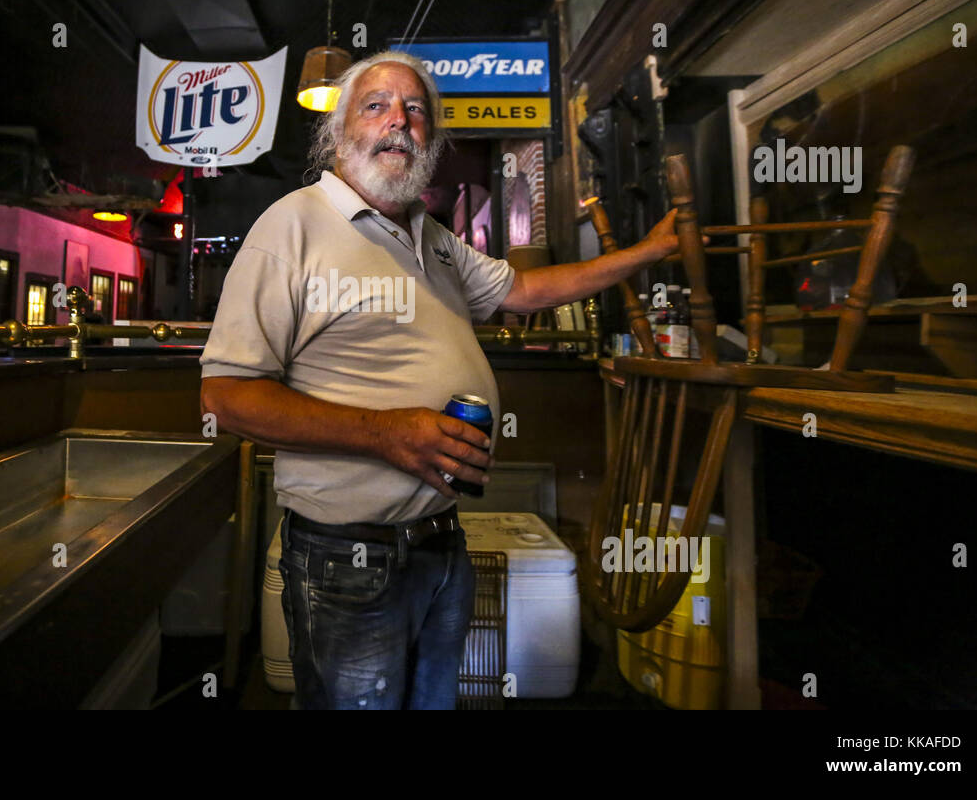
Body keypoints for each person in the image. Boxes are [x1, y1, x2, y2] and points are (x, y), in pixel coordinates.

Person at [199, 50, 684, 709]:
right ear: (338, 134)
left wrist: (649, 252)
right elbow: (226, 394)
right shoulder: (292, 225)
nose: (400, 120)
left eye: (416, 109)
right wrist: (387, 435)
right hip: (348, 558)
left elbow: (526, 288)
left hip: (440, 542)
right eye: (377, 106)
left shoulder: (430, 236)